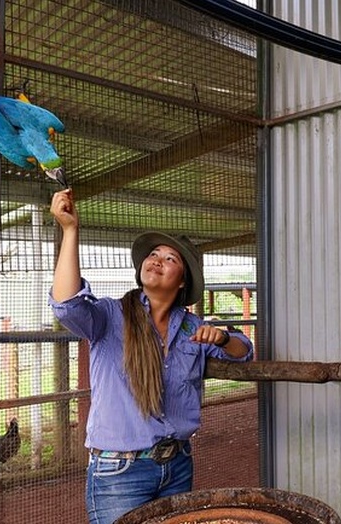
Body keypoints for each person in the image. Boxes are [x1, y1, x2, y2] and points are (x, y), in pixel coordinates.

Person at [48, 188, 254, 524]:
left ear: (183, 280)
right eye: (154, 254)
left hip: (177, 466)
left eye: (170, 258)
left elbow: (245, 353)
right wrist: (70, 231)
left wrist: (225, 337)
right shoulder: (110, 316)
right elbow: (66, 304)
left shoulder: (192, 328)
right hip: (119, 472)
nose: (157, 259)